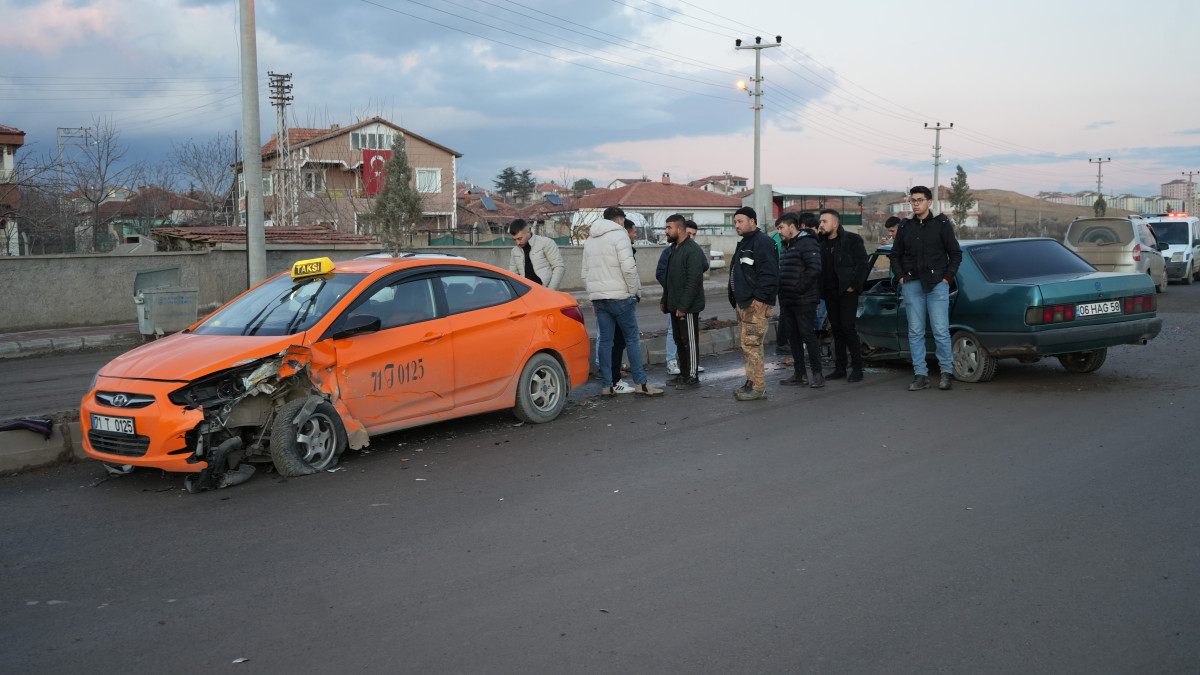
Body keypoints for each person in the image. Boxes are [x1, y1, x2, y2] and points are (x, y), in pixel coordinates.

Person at [581, 206, 664, 397]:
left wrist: (594, 295)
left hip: (600, 299)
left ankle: (608, 385)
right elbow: (628, 269)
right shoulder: (620, 236)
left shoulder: (590, 240)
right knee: (632, 339)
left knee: (605, 343)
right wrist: (633, 291)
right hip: (621, 297)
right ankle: (641, 383)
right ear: (619, 220)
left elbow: (585, 274)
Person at [890, 185, 963, 391]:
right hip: (912, 285)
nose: (915, 204)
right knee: (915, 332)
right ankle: (920, 375)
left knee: (940, 331)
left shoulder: (941, 224)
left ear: (929, 202)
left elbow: (955, 254)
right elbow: (895, 255)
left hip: (937, 286)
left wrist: (947, 278)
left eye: (919, 200)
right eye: (912, 200)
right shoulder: (905, 227)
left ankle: (946, 373)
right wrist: (901, 277)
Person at [728, 206, 778, 401]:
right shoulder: (745, 243)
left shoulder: (762, 242)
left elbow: (770, 273)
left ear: (752, 221)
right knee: (747, 346)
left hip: (755, 305)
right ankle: (751, 383)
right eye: (735, 222)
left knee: (753, 345)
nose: (737, 225)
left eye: (740, 221)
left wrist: (759, 299)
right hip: (743, 303)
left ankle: (758, 387)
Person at [817, 208, 869, 383]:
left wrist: (853, 286)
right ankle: (840, 368)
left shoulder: (851, 240)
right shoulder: (820, 242)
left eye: (824, 221)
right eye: (820, 221)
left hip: (847, 293)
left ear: (835, 223)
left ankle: (857, 368)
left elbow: (863, 264)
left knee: (848, 328)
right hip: (829, 293)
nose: (821, 225)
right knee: (836, 330)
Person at [775, 212, 824, 388]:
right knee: (793, 337)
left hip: (804, 299)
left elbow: (815, 268)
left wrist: (798, 289)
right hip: (787, 300)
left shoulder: (807, 242)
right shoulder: (786, 245)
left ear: (792, 227)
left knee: (808, 336)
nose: (779, 231)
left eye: (781, 228)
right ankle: (799, 373)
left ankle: (817, 375)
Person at [656, 219, 708, 376]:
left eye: (668, 227)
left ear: (679, 229)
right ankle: (684, 374)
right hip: (674, 305)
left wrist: (683, 306)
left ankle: (691, 376)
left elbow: (694, 281)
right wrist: (665, 300)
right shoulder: (673, 249)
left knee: (689, 343)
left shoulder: (692, 250)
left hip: (688, 307)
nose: (666, 231)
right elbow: (668, 278)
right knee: (680, 342)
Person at [507, 218, 565, 290]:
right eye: (514, 239)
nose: (517, 243)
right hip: (526, 294)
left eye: (519, 238)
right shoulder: (514, 251)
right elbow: (513, 276)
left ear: (528, 232)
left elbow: (559, 267)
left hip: (546, 292)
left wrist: (550, 291)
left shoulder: (546, 243)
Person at [770, 219, 790, 356]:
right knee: (787, 312)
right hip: (785, 278)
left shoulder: (774, 237)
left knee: (785, 311)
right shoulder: (783, 239)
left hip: (779, 278)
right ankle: (783, 344)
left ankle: (783, 343)